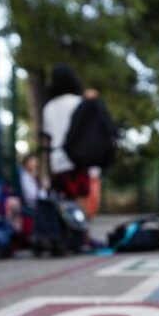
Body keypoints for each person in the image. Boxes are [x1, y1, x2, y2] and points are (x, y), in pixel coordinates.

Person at [41, 65, 98, 211]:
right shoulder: (79, 103)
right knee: (81, 210)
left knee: (63, 208)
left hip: (58, 163)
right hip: (79, 162)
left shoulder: (49, 107)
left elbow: (47, 140)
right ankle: (81, 233)